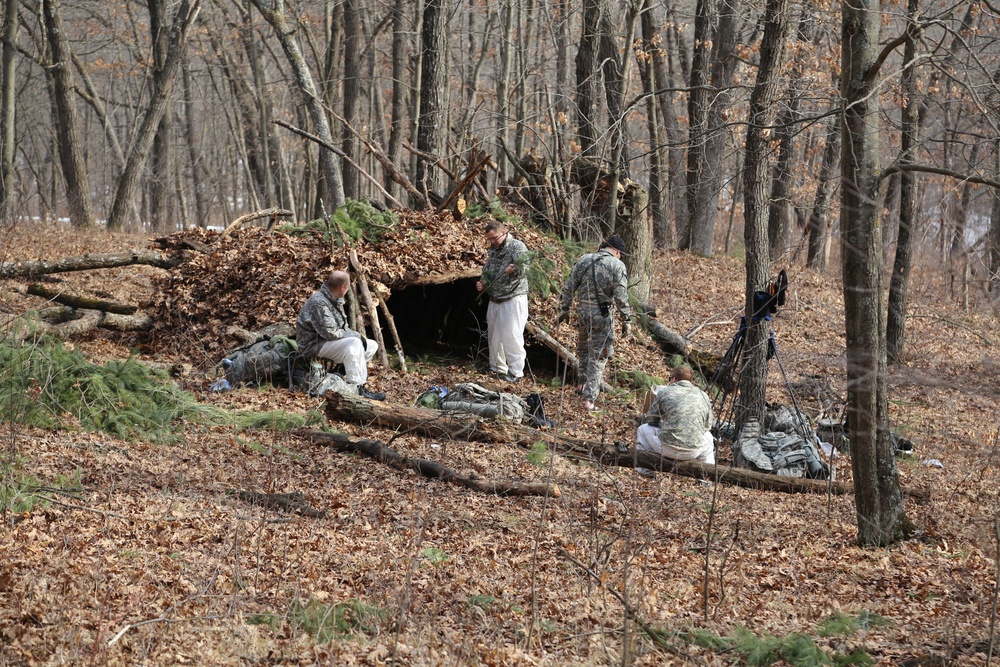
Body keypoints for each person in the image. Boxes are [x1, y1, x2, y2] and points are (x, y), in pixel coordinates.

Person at [555, 235, 631, 410]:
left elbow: (570, 285)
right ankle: (589, 400)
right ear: (618, 251)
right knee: (599, 355)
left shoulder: (584, 259)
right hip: (602, 315)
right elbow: (621, 296)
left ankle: (581, 385)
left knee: (583, 349)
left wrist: (565, 308)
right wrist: (626, 318)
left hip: (582, 311)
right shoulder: (617, 265)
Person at [295, 270, 385, 401]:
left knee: (371, 345)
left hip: (326, 342)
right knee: (355, 342)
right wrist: (356, 335)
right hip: (313, 345)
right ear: (342, 287)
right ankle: (359, 388)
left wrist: (357, 336)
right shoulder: (319, 303)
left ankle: (340, 371)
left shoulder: (334, 299)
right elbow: (331, 333)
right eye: (348, 287)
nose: (348, 290)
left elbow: (341, 329)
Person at [475, 221, 530, 383]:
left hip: (513, 298)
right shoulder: (493, 250)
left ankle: (516, 372)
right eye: (489, 239)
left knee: (511, 335)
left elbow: (524, 268)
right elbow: (488, 270)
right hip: (495, 298)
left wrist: (514, 270)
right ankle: (497, 368)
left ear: (504, 232)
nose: (492, 242)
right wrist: (483, 282)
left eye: (494, 238)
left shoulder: (517, 247)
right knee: (494, 335)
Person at [636, 365, 715, 475]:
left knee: (642, 429)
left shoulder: (664, 392)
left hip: (666, 448)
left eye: (669, 379)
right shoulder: (703, 395)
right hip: (693, 451)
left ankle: (646, 471)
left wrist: (665, 423)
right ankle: (706, 476)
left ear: (673, 379)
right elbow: (707, 426)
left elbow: (651, 420)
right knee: (709, 437)